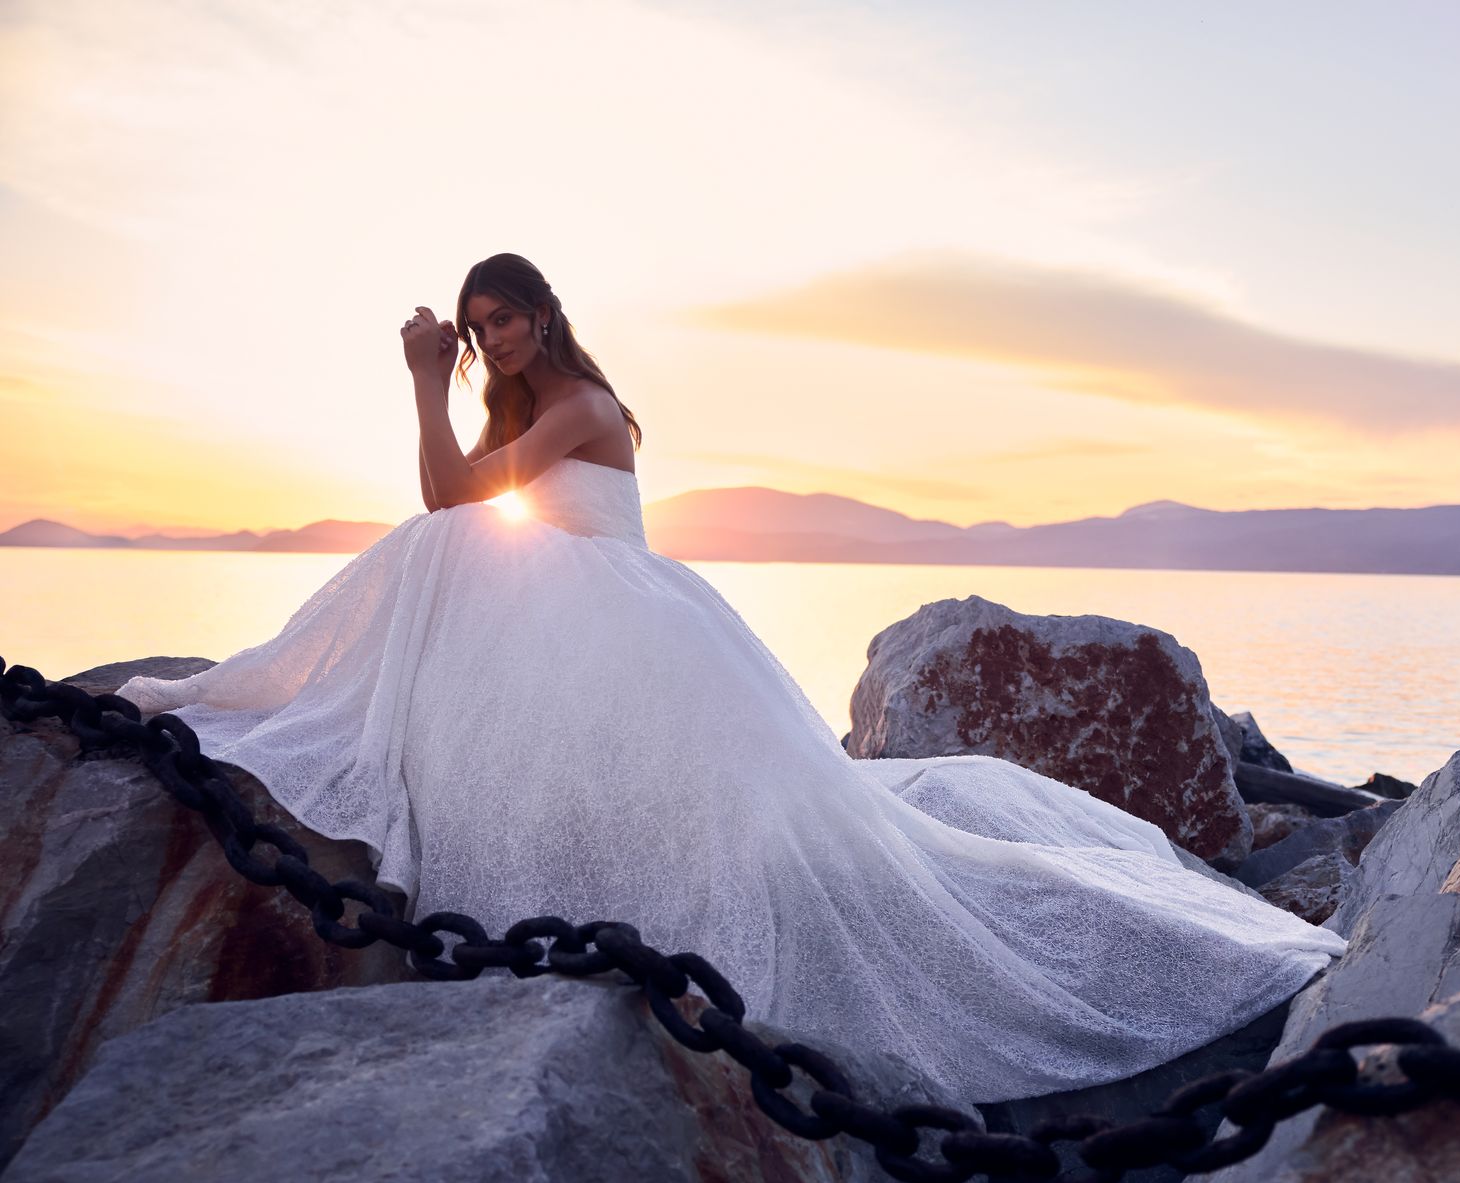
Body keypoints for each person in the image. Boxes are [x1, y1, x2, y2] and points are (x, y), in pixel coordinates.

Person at [116, 252, 1347, 1105]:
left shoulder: (586, 403)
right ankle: (293, 699)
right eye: (476, 324)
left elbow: (449, 503)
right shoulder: (507, 414)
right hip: (563, 619)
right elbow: (451, 494)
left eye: (504, 319)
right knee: (444, 553)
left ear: (544, 316)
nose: (492, 337)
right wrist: (440, 391)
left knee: (446, 548)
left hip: (620, 621)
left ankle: (286, 694)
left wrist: (425, 386)